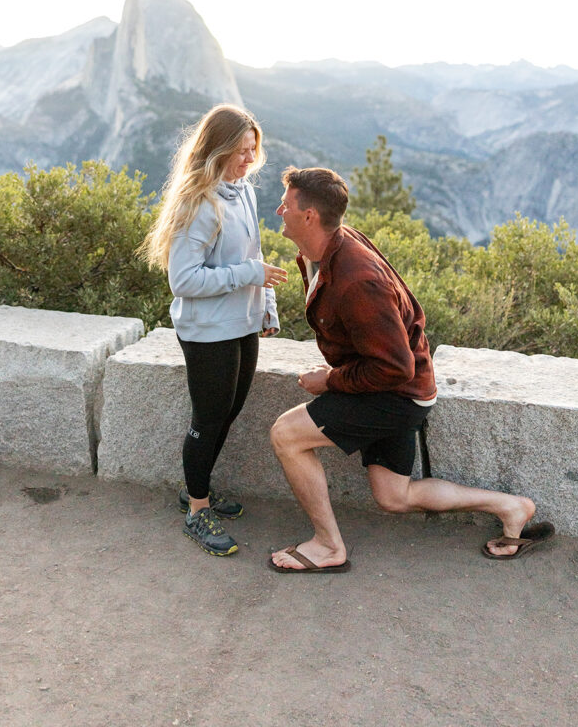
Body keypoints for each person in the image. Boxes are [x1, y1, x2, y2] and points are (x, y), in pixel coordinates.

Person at [268, 166, 555, 573]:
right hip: (398, 388)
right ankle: (512, 508)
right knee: (394, 496)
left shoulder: (356, 277)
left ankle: (329, 547)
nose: (280, 210)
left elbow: (394, 367)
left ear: (310, 216)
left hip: (394, 395)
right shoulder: (327, 249)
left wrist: (329, 379)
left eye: (288, 205)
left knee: (286, 434)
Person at [140, 104, 287, 557]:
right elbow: (183, 281)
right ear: (218, 149)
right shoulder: (197, 203)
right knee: (208, 419)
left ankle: (195, 487)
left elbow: (255, 254)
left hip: (240, 324)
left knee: (229, 411)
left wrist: (266, 306)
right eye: (241, 151)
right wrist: (248, 276)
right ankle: (196, 508)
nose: (249, 159)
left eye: (252, 150)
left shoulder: (239, 189)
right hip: (207, 332)